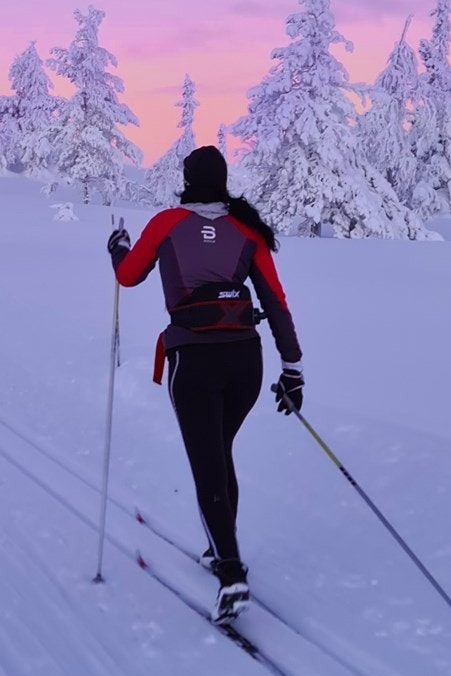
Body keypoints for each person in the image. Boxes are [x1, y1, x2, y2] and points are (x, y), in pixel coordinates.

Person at [108, 145, 304, 624]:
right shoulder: (246, 230)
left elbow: (129, 276)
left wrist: (116, 247)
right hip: (247, 362)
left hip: (193, 358)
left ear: (187, 179)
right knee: (219, 452)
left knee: (207, 463)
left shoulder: (167, 223)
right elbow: (275, 301)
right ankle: (222, 552)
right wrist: (292, 369)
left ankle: (231, 570)